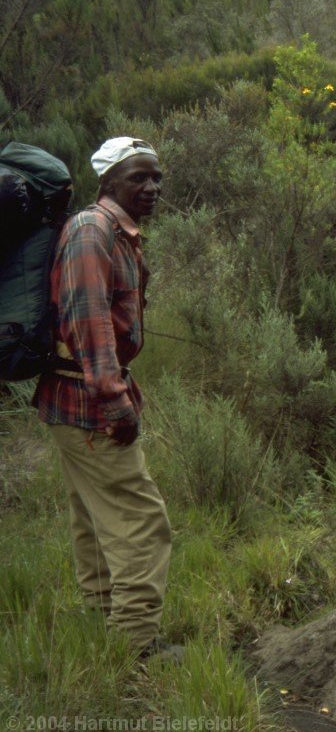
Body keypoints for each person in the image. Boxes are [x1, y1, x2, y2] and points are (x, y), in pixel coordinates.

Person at [32, 137, 179, 661]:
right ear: (109, 181)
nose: (152, 187)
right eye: (139, 177)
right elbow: (86, 320)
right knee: (141, 518)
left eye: (156, 177)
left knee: (93, 517)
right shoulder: (93, 232)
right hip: (88, 399)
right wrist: (115, 400)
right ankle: (137, 643)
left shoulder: (115, 233)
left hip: (73, 397)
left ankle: (101, 621)